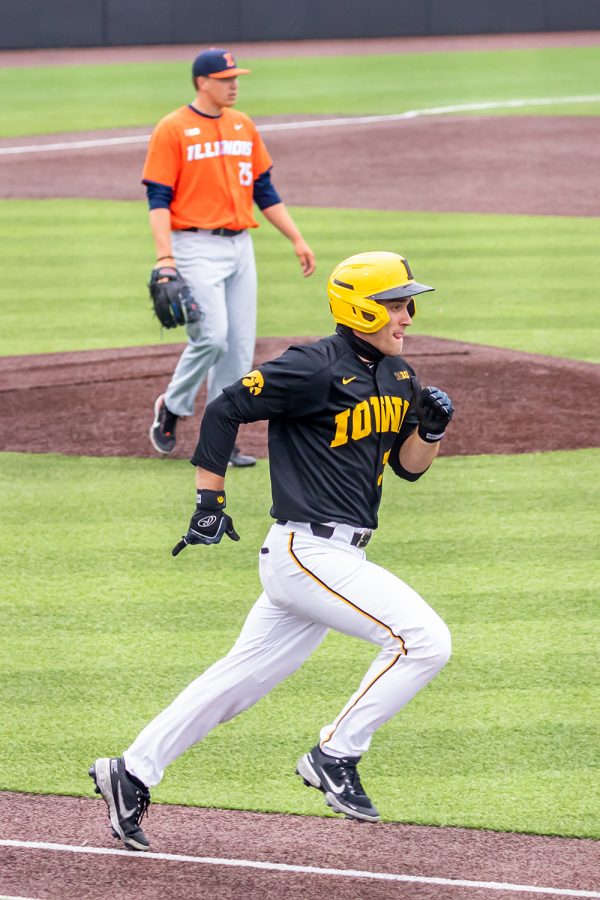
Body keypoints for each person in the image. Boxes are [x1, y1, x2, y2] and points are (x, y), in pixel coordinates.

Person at [89, 251, 454, 851]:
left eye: (407, 303)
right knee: (424, 640)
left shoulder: (400, 377)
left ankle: (129, 772)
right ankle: (334, 753)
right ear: (361, 307)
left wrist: (432, 430)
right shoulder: (311, 367)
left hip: (338, 558)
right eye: (395, 304)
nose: (407, 316)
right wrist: (211, 499)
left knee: (237, 682)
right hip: (307, 552)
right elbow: (227, 406)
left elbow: (407, 469)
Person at [144, 47, 315, 464]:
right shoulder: (173, 128)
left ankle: (220, 439)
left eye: (236, 77)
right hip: (194, 245)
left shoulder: (243, 125)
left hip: (241, 246)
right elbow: (158, 197)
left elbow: (264, 191)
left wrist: (296, 237)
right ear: (202, 82)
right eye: (226, 79)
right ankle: (173, 406)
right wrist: (165, 258)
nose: (234, 84)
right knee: (212, 336)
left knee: (239, 349)